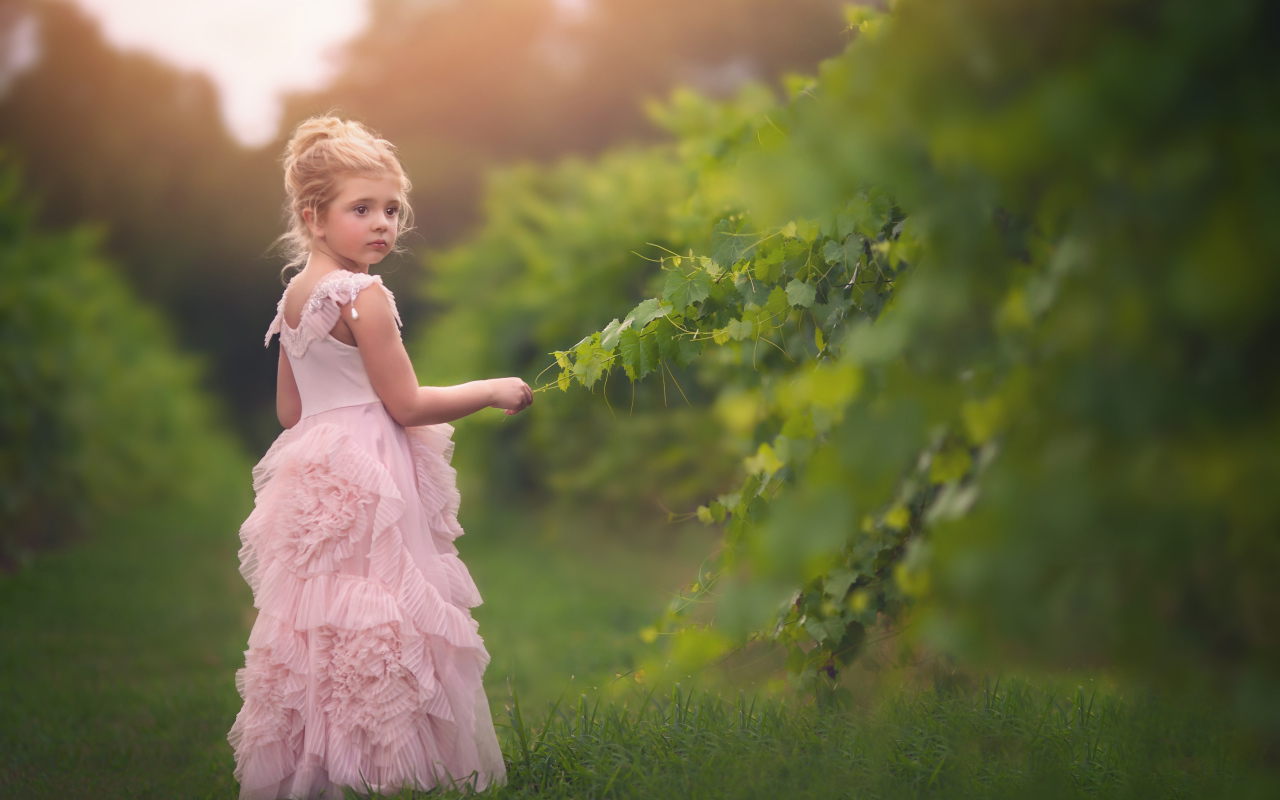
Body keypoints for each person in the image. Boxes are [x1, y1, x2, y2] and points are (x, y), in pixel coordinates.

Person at [227, 116, 526, 799]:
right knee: (383, 610)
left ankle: (321, 765)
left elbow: (290, 413)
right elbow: (408, 404)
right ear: (315, 217)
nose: (382, 224)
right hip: (371, 469)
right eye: (360, 209)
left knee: (324, 620)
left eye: (392, 209)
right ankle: (386, 767)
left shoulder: (296, 297)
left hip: (319, 469)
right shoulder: (364, 295)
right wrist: (489, 390)